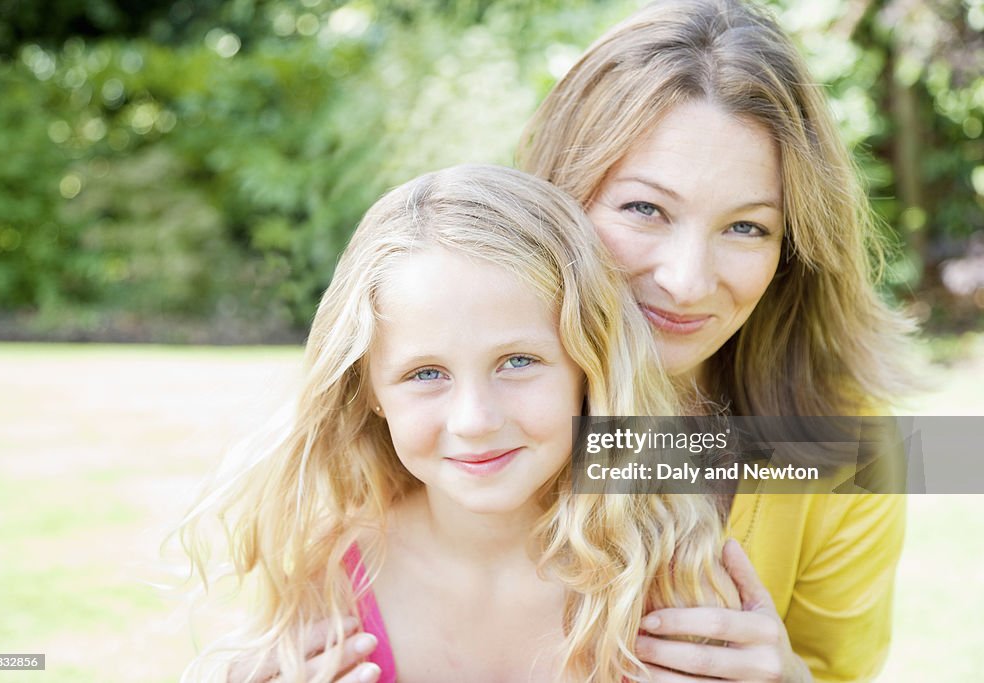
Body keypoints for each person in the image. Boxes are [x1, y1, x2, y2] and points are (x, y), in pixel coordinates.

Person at [180, 164, 741, 683]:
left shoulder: (667, 575)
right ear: (370, 390)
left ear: (586, 365)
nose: (475, 420)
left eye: (518, 362)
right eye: (426, 373)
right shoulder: (327, 577)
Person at [518, 0, 916, 681]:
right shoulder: (452, 399)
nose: (686, 281)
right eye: (645, 209)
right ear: (560, 195)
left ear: (792, 245)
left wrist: (788, 675)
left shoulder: (849, 449)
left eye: (746, 227)